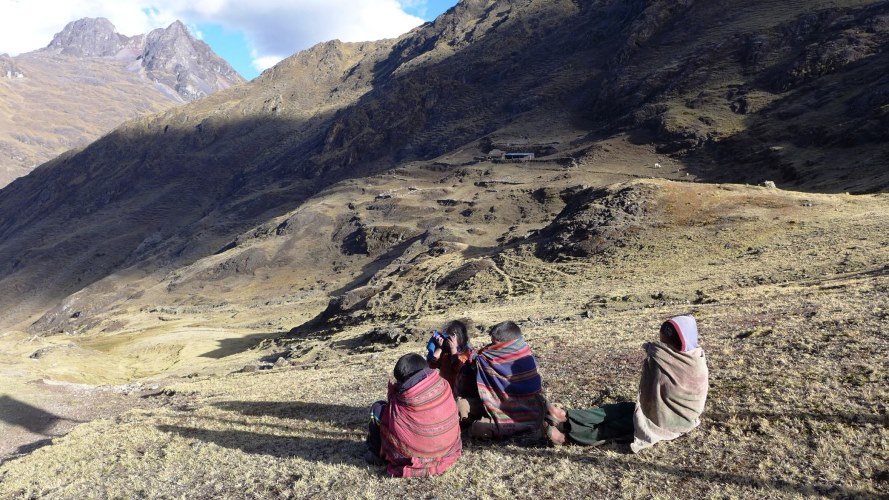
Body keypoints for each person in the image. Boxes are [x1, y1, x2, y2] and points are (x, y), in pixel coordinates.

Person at [545, 316, 709, 453]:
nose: (664, 347)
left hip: (672, 421)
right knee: (617, 410)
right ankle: (566, 417)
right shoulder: (669, 357)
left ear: (684, 342)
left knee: (620, 425)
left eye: (668, 344)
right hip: (655, 409)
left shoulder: (693, 363)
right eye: (663, 343)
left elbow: (679, 397)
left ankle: (566, 438)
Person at [366, 353, 462, 477]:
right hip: (446, 449)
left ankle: (375, 453)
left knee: (377, 409)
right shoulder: (443, 384)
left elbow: (392, 416)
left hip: (412, 453)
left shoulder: (404, 396)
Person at [458, 320, 545, 439]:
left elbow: (472, 362)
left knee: (477, 428)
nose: (490, 347)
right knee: (461, 405)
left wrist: (459, 351)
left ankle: (518, 428)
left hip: (525, 415)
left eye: (494, 344)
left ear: (503, 345)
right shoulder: (524, 351)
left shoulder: (489, 360)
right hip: (498, 404)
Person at [426, 320, 476, 397]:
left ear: (461, 337)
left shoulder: (467, 353)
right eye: (447, 335)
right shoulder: (445, 352)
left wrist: (453, 350)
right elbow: (432, 365)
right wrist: (439, 348)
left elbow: (458, 368)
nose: (448, 339)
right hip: (446, 389)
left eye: (452, 335)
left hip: (460, 390)